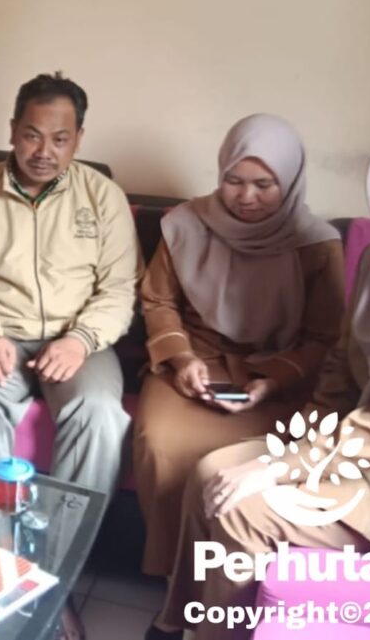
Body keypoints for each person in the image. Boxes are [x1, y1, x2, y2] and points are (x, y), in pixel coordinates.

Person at [152, 126, 370, 640]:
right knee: (211, 471)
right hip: (357, 459)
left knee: (243, 508)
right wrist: (299, 442)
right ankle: (181, 620)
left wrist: (279, 467)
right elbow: (340, 365)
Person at [133, 113, 344, 579]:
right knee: (159, 442)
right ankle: (174, 574)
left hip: (280, 372)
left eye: (264, 184)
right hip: (194, 363)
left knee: (253, 456)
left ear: (289, 181)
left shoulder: (316, 244)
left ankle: (227, 577)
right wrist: (182, 358)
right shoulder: (184, 225)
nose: (247, 197)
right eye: (234, 181)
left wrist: (275, 379)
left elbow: (327, 337)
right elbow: (158, 301)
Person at [0, 72, 138, 495]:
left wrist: (80, 340)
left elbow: (119, 289)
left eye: (60, 140)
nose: (44, 152)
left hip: (79, 340)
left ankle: (64, 537)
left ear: (78, 139)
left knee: (99, 411)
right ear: (12, 131)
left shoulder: (104, 196)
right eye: (32, 136)